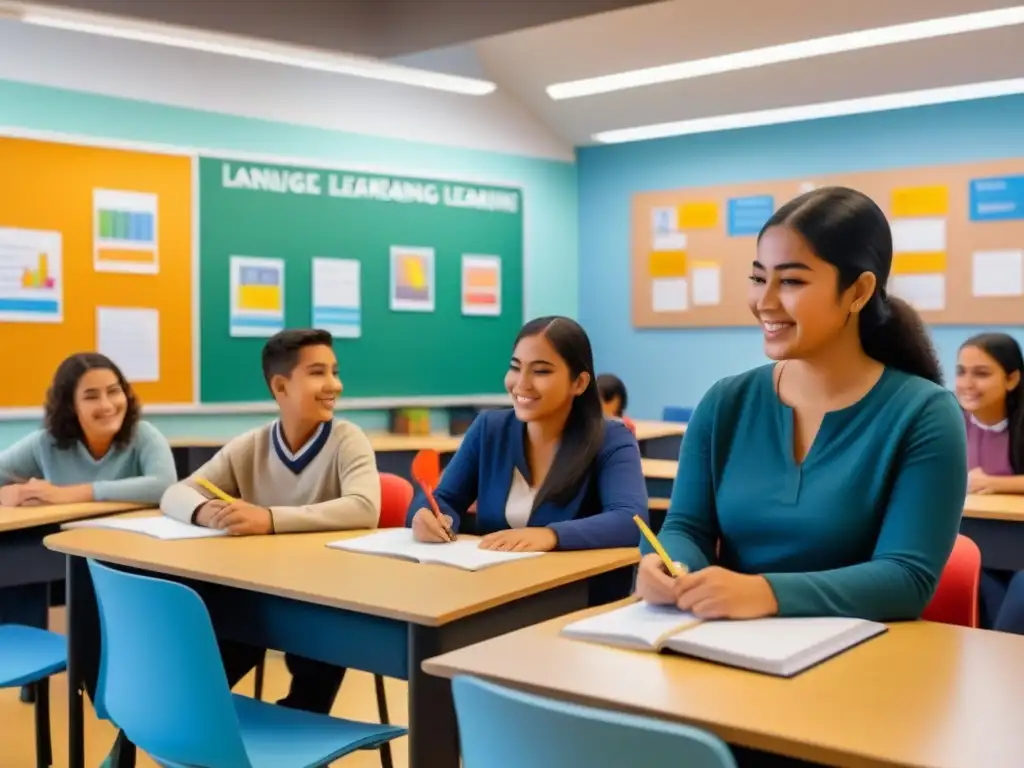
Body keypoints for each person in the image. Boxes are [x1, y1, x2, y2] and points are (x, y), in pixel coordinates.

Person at [633, 187, 965, 767]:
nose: (765, 301)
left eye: (791, 281)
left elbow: (906, 578)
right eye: (758, 278)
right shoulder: (726, 402)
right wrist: (668, 564)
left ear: (858, 291)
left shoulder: (924, 413)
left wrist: (764, 592)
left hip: (856, 691)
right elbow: (684, 524)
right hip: (722, 666)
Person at [84, 329, 383, 768]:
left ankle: (289, 738)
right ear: (280, 387)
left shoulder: (346, 439)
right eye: (318, 373)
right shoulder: (253, 445)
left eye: (335, 372)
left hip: (325, 598)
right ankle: (165, 737)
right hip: (259, 594)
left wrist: (270, 518)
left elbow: (365, 508)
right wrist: (205, 512)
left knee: (316, 668)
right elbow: (176, 492)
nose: (334, 384)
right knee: (210, 648)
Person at [0, 352, 176, 708]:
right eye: (91, 396)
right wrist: (9, 492)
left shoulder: (142, 434)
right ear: (70, 405)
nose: (108, 404)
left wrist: (72, 493)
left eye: (114, 391)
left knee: (100, 598)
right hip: (68, 552)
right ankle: (35, 672)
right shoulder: (46, 443)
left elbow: (164, 485)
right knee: (22, 567)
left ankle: (107, 685)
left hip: (128, 553)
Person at [406, 316, 648, 552]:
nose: (521, 384)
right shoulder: (489, 429)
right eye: (515, 367)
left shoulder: (612, 438)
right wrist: (424, 516)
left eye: (541, 371)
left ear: (579, 383)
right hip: (495, 581)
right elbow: (444, 499)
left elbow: (630, 520)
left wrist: (551, 535)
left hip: (574, 587)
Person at [955, 332, 1024, 630]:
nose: (967, 384)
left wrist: (997, 483)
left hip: (1014, 543)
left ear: (1011, 380)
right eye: (961, 372)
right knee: (973, 578)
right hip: (973, 539)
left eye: (981, 374)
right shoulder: (946, 418)